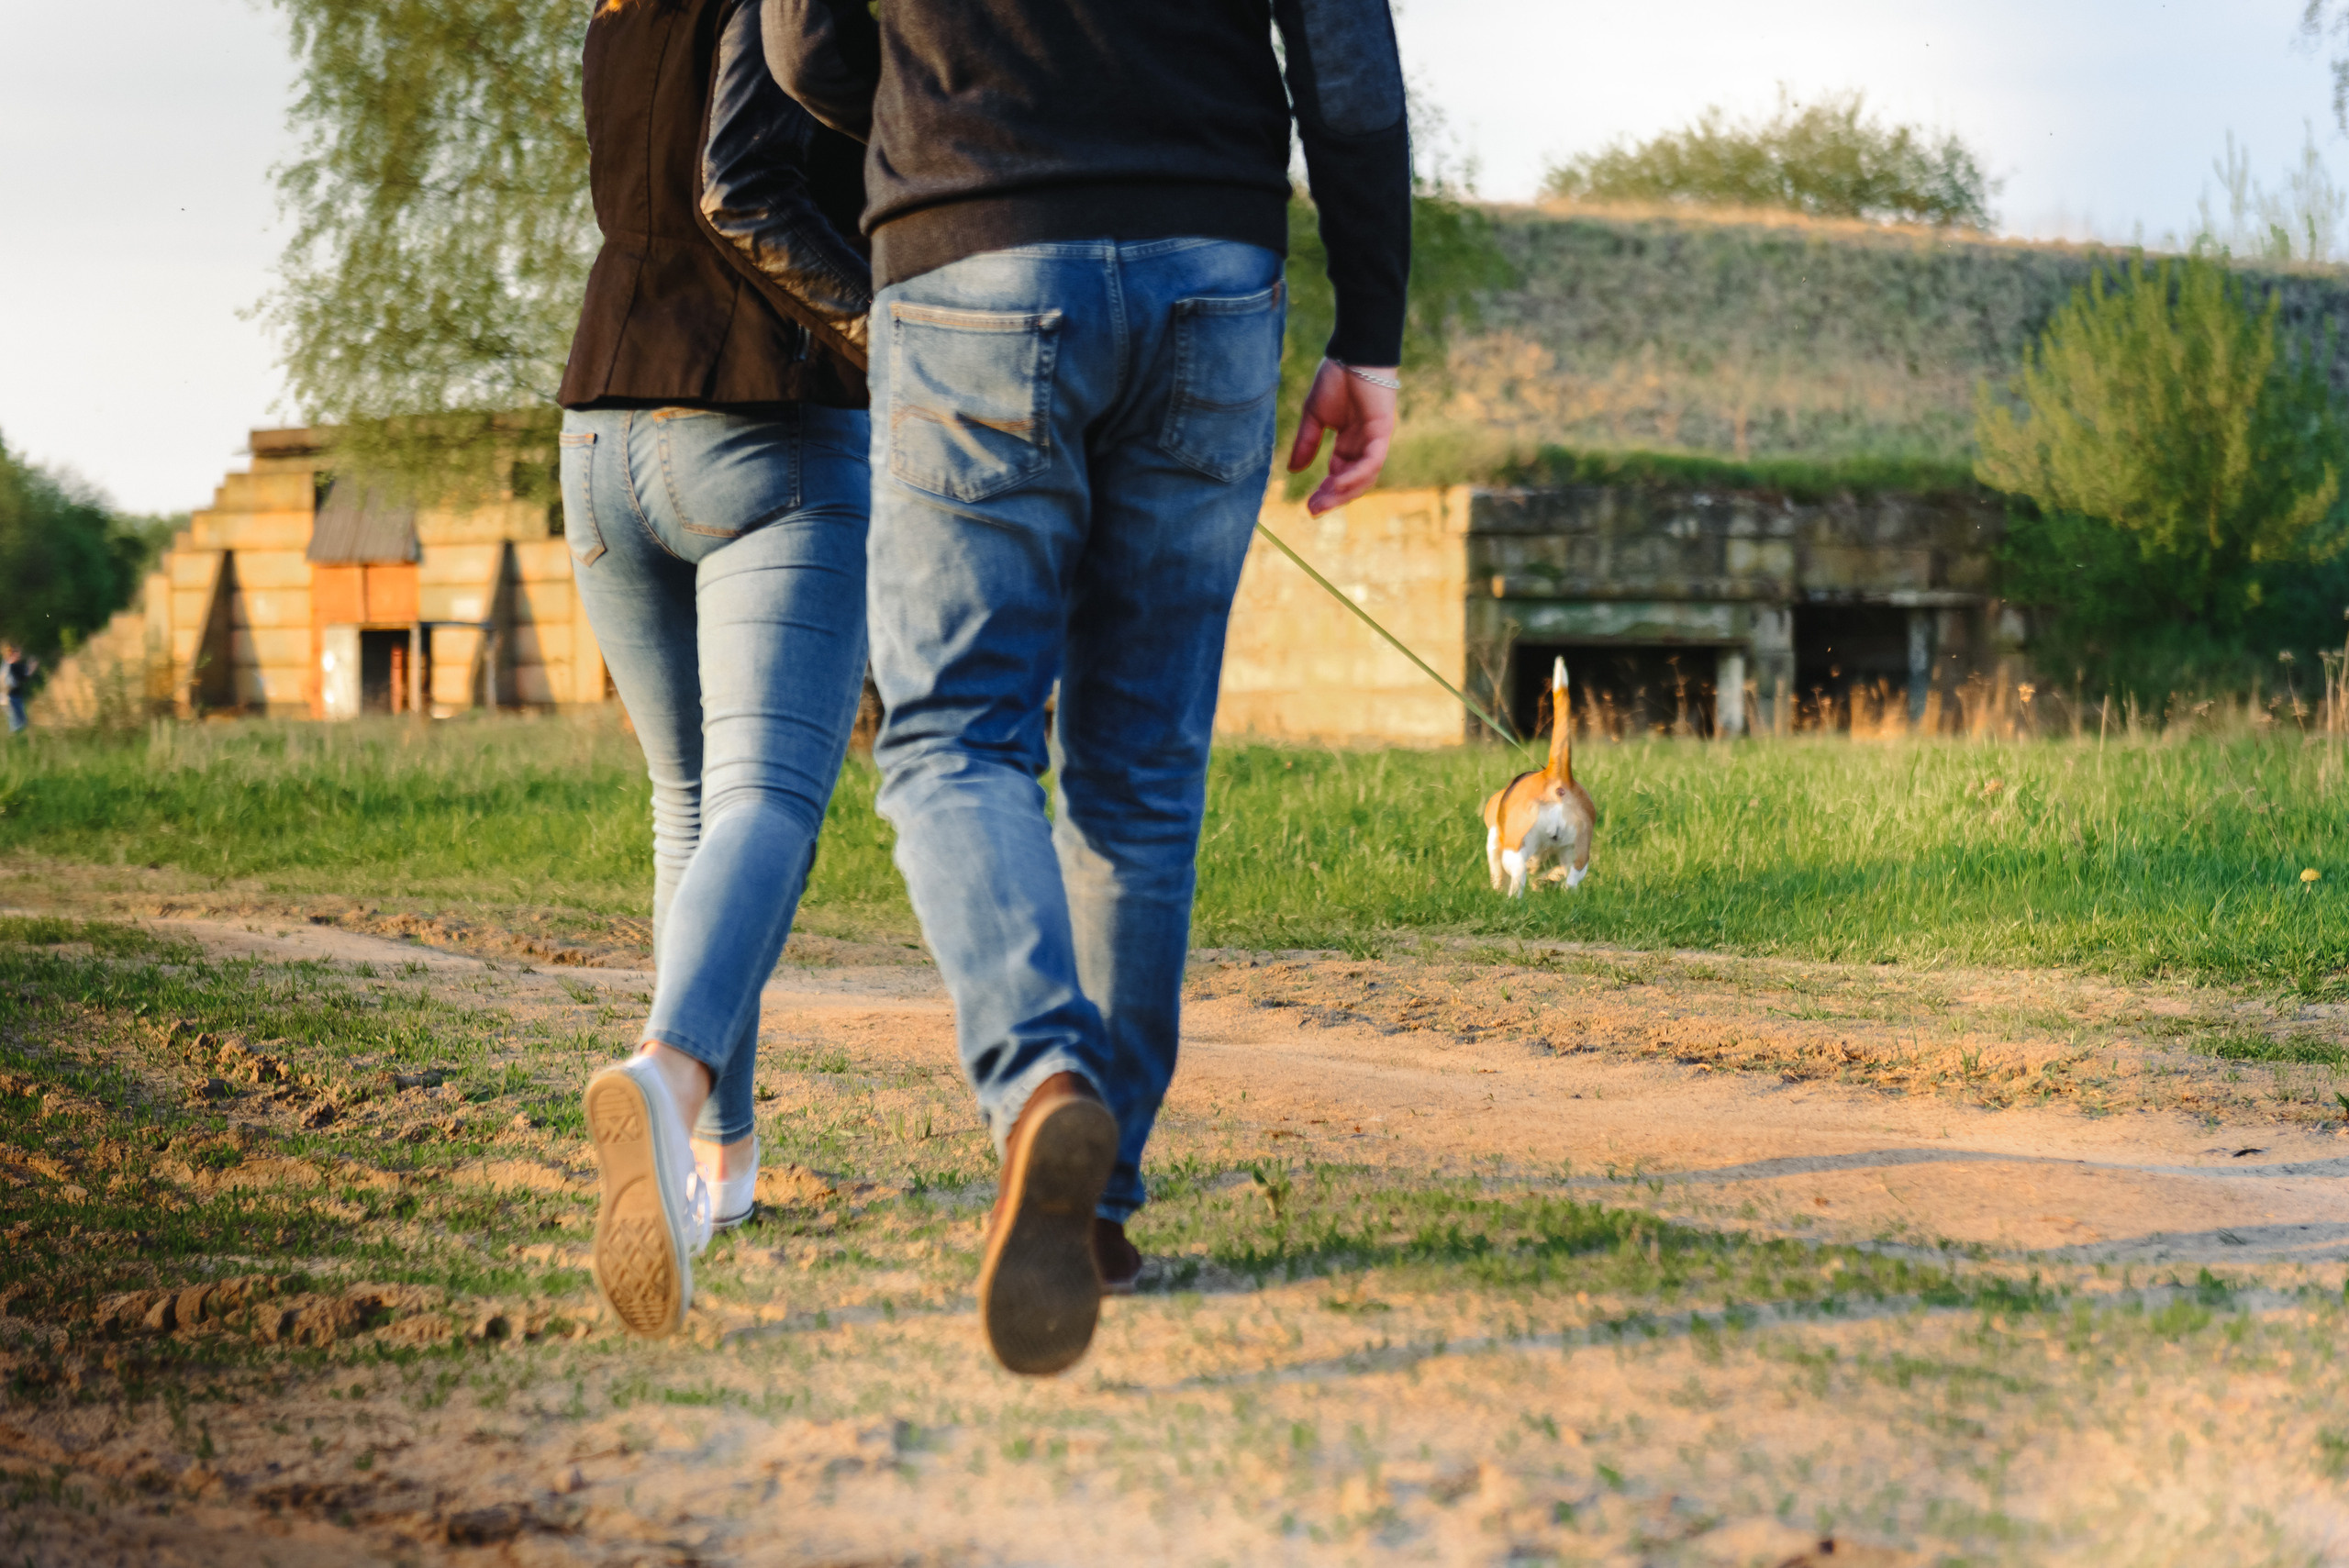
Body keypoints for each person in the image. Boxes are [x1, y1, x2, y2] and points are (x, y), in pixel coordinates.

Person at [769, 0, 1408, 1373]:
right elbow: (1346, 61)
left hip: (969, 245)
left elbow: (801, 44)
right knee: (1142, 765)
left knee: (954, 734)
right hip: (1210, 261)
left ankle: (1042, 1078)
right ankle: (1098, 1204)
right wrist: (1372, 327)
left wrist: (938, 106)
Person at [560, 0, 876, 1339]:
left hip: (598, 430)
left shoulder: (613, 10)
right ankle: (667, 1072)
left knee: (687, 805)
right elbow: (740, 192)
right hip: (765, 416)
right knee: (766, 801)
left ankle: (718, 1168)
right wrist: (908, 344)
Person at [2, 643, 35, 734]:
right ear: (12, 654)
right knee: (18, 721)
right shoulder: (10, 666)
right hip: (11, 696)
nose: (19, 655)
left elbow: (23, 677)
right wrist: (31, 668)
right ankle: (18, 735)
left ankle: (19, 735)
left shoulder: (10, 666)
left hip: (13, 696)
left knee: (19, 720)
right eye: (17, 653)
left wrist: (30, 668)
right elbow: (23, 677)